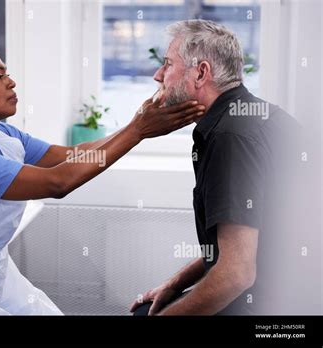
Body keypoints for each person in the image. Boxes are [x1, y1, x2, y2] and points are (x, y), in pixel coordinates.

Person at [0, 34, 205, 315]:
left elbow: (71, 156)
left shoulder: (1, 135)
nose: (11, 82)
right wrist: (138, 130)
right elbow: (57, 182)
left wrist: (139, 124)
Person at [130, 20, 305, 316]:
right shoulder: (254, 116)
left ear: (201, 73)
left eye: (168, 64)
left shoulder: (230, 138)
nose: (158, 75)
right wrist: (174, 284)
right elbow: (240, 242)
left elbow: (237, 273)